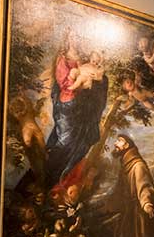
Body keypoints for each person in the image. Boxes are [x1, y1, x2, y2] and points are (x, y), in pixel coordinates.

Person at [46, 33, 108, 187]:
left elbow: (99, 79)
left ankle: (63, 180)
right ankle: (51, 179)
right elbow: (64, 86)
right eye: (73, 37)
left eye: (79, 37)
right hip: (68, 107)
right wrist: (82, 84)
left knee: (79, 143)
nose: (77, 39)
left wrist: (97, 81)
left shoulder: (84, 59)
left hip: (82, 108)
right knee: (65, 143)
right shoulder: (63, 60)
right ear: (67, 39)